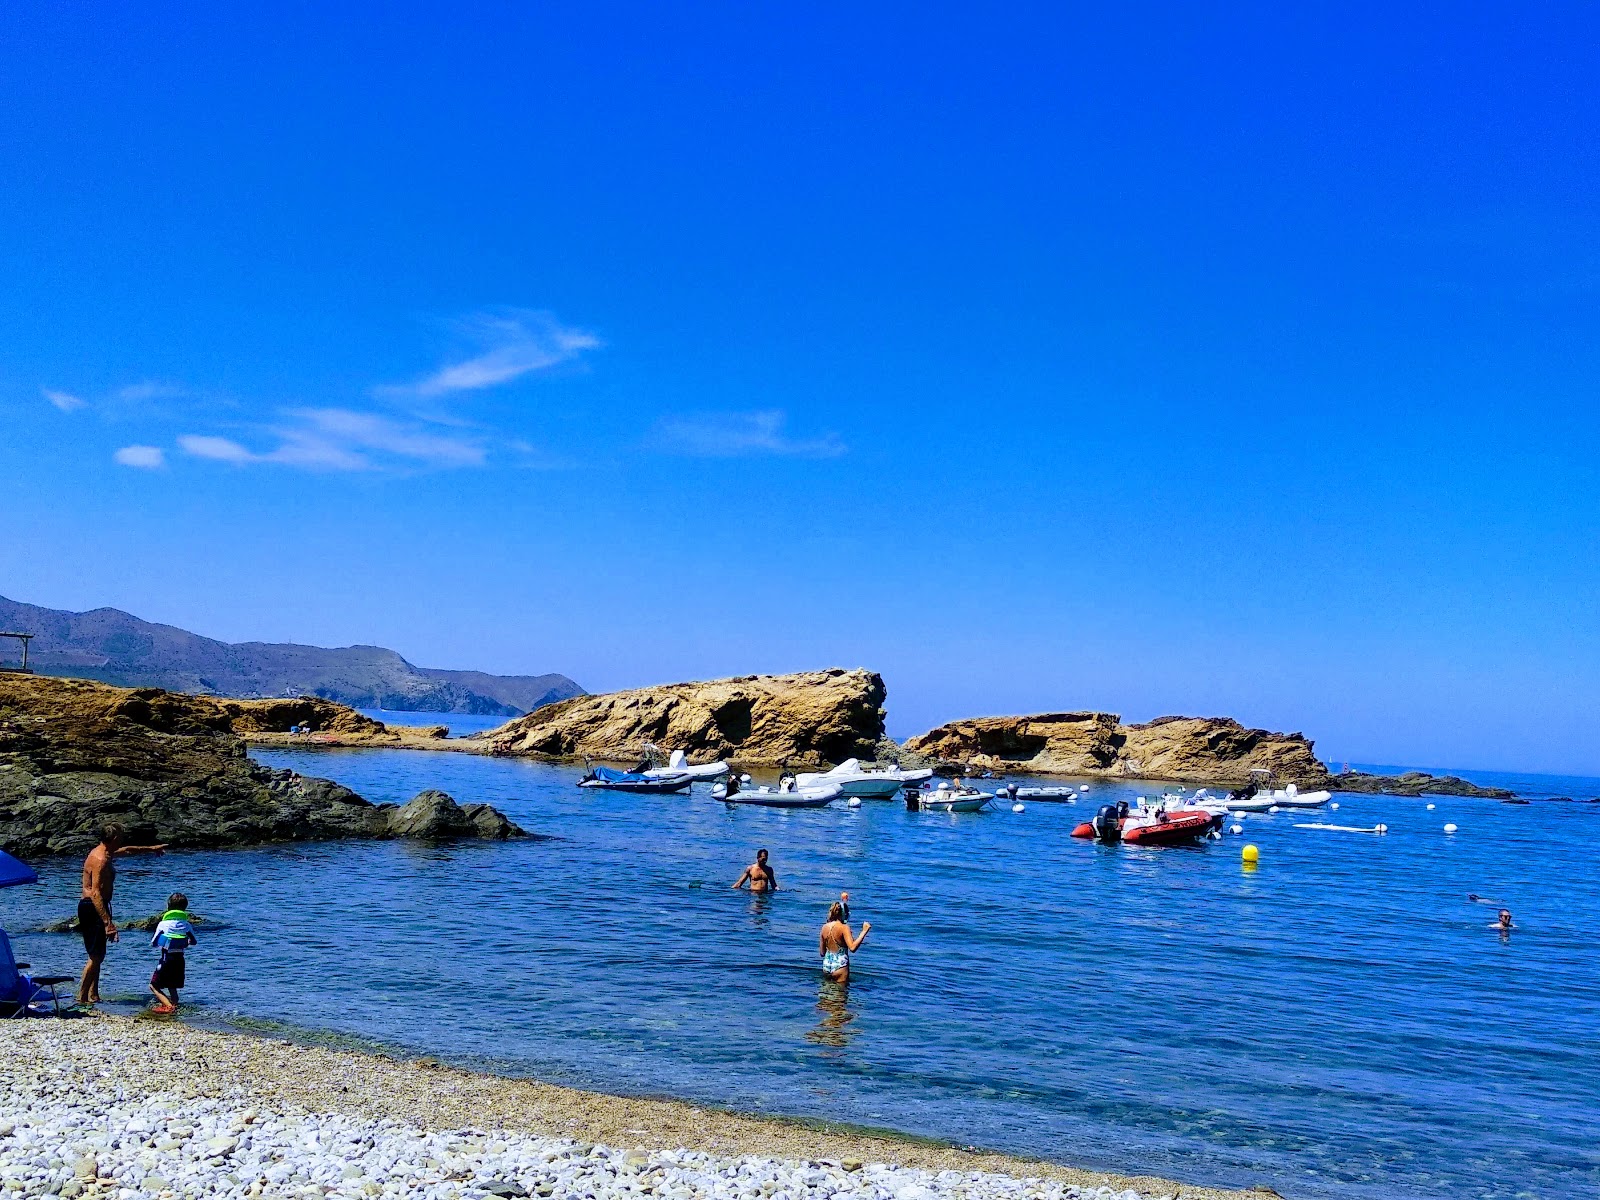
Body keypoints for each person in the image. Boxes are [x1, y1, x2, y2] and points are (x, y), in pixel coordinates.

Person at [77, 822, 167, 1005]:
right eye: (121, 836)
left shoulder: (107, 853)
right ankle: (82, 998)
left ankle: (94, 995)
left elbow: (127, 851)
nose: (124, 839)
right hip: (92, 906)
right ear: (114, 838)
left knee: (99, 954)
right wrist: (107, 923)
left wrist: (151, 849)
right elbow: (95, 893)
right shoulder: (100, 859)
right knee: (95, 956)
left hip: (97, 905)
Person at [148, 893, 198, 1013]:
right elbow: (194, 942)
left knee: (153, 986)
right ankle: (174, 1005)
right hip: (180, 960)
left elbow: (154, 943)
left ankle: (169, 1006)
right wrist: (183, 941)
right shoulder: (187, 925)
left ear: (168, 907)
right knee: (172, 986)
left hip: (166, 959)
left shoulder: (163, 924)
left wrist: (164, 940)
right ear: (185, 908)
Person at [819, 900, 870, 983]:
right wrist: (864, 931)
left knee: (825, 993)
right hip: (840, 966)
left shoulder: (824, 927)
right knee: (841, 994)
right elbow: (852, 948)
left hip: (827, 965)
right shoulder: (844, 927)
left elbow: (822, 953)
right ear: (843, 914)